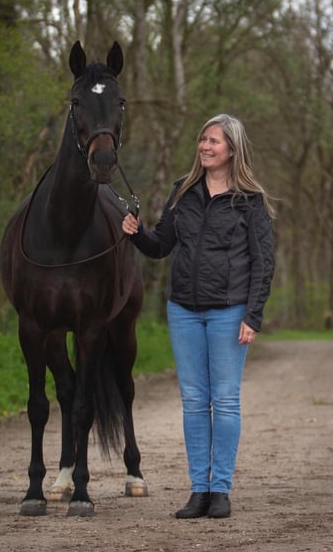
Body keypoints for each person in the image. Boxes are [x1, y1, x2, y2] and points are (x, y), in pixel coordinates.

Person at [122, 114, 276, 519]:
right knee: (193, 402)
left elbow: (263, 263)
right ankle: (199, 490)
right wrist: (137, 232)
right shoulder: (182, 192)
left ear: (232, 149)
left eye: (214, 141)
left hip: (229, 311)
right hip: (184, 311)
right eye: (202, 140)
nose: (205, 147)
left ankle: (221, 490)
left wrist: (253, 315)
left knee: (224, 401)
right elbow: (160, 246)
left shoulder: (250, 201)